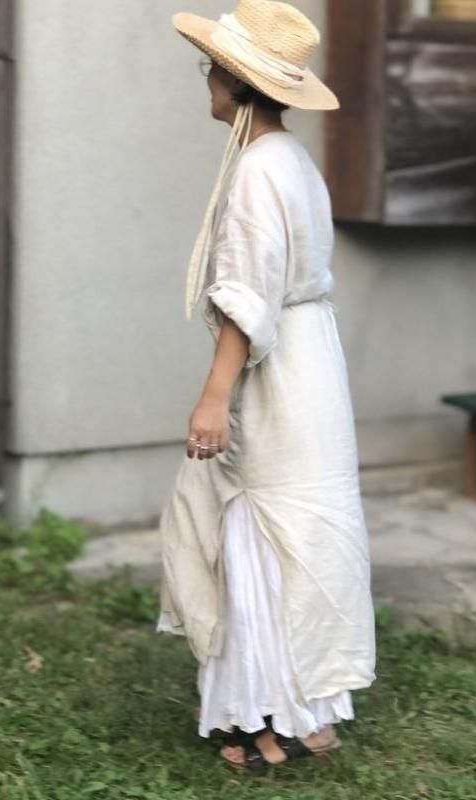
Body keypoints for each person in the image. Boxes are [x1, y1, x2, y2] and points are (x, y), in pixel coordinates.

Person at [157, 0, 377, 772]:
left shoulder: (258, 170)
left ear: (234, 82)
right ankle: (312, 717)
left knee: (262, 535)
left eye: (211, 69)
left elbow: (249, 298)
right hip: (312, 361)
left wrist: (213, 397)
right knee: (302, 537)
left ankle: (271, 729)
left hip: (278, 370)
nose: (206, 81)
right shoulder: (292, 161)